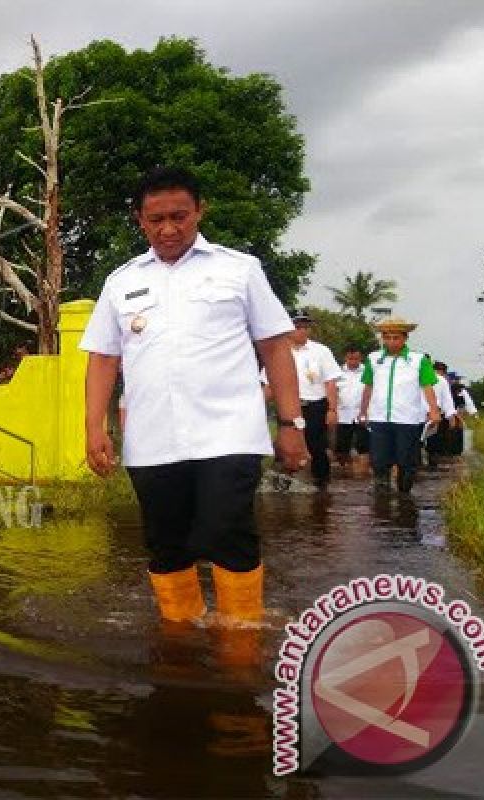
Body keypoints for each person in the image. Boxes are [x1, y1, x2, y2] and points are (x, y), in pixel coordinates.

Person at [82, 166, 305, 626]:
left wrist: (291, 424)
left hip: (230, 433)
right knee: (166, 547)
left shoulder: (239, 269)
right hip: (152, 440)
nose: (168, 229)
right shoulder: (121, 281)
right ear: (139, 221)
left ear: (200, 211)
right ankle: (180, 640)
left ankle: (241, 643)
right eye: (156, 219)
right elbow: (103, 357)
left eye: (179, 216)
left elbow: (275, 347)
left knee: (225, 532)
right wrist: (94, 426)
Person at [358, 317, 442, 494]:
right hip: (379, 418)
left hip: (408, 419)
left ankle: (405, 497)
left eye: (396, 337)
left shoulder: (418, 360)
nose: (391, 342)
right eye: (387, 337)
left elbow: (427, 387)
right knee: (379, 461)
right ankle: (382, 499)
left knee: (406, 461)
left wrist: (434, 411)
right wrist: (363, 411)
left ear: (405, 338)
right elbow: (368, 386)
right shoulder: (373, 359)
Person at [263, 310, 339, 487]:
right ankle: (281, 484)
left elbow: (330, 382)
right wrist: (256, 407)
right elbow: (269, 385)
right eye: (297, 326)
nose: (302, 330)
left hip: (314, 407)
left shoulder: (321, 351)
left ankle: (322, 486)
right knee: (284, 445)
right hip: (288, 407)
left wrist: (332, 409)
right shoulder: (277, 352)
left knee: (316, 447)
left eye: (306, 327)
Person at [334, 343, 371, 475]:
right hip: (343, 416)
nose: (353, 362)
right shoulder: (337, 373)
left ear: (361, 358)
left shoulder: (368, 371)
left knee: (364, 446)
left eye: (356, 359)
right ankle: (344, 472)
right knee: (341, 447)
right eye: (350, 359)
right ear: (345, 358)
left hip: (363, 415)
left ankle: (362, 474)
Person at [426, 361, 458, 471]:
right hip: (430, 412)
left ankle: (427, 462)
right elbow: (447, 401)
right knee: (432, 438)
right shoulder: (441, 380)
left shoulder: (440, 380)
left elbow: (447, 401)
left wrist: (451, 416)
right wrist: (451, 417)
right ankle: (430, 462)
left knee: (429, 438)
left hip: (430, 412)